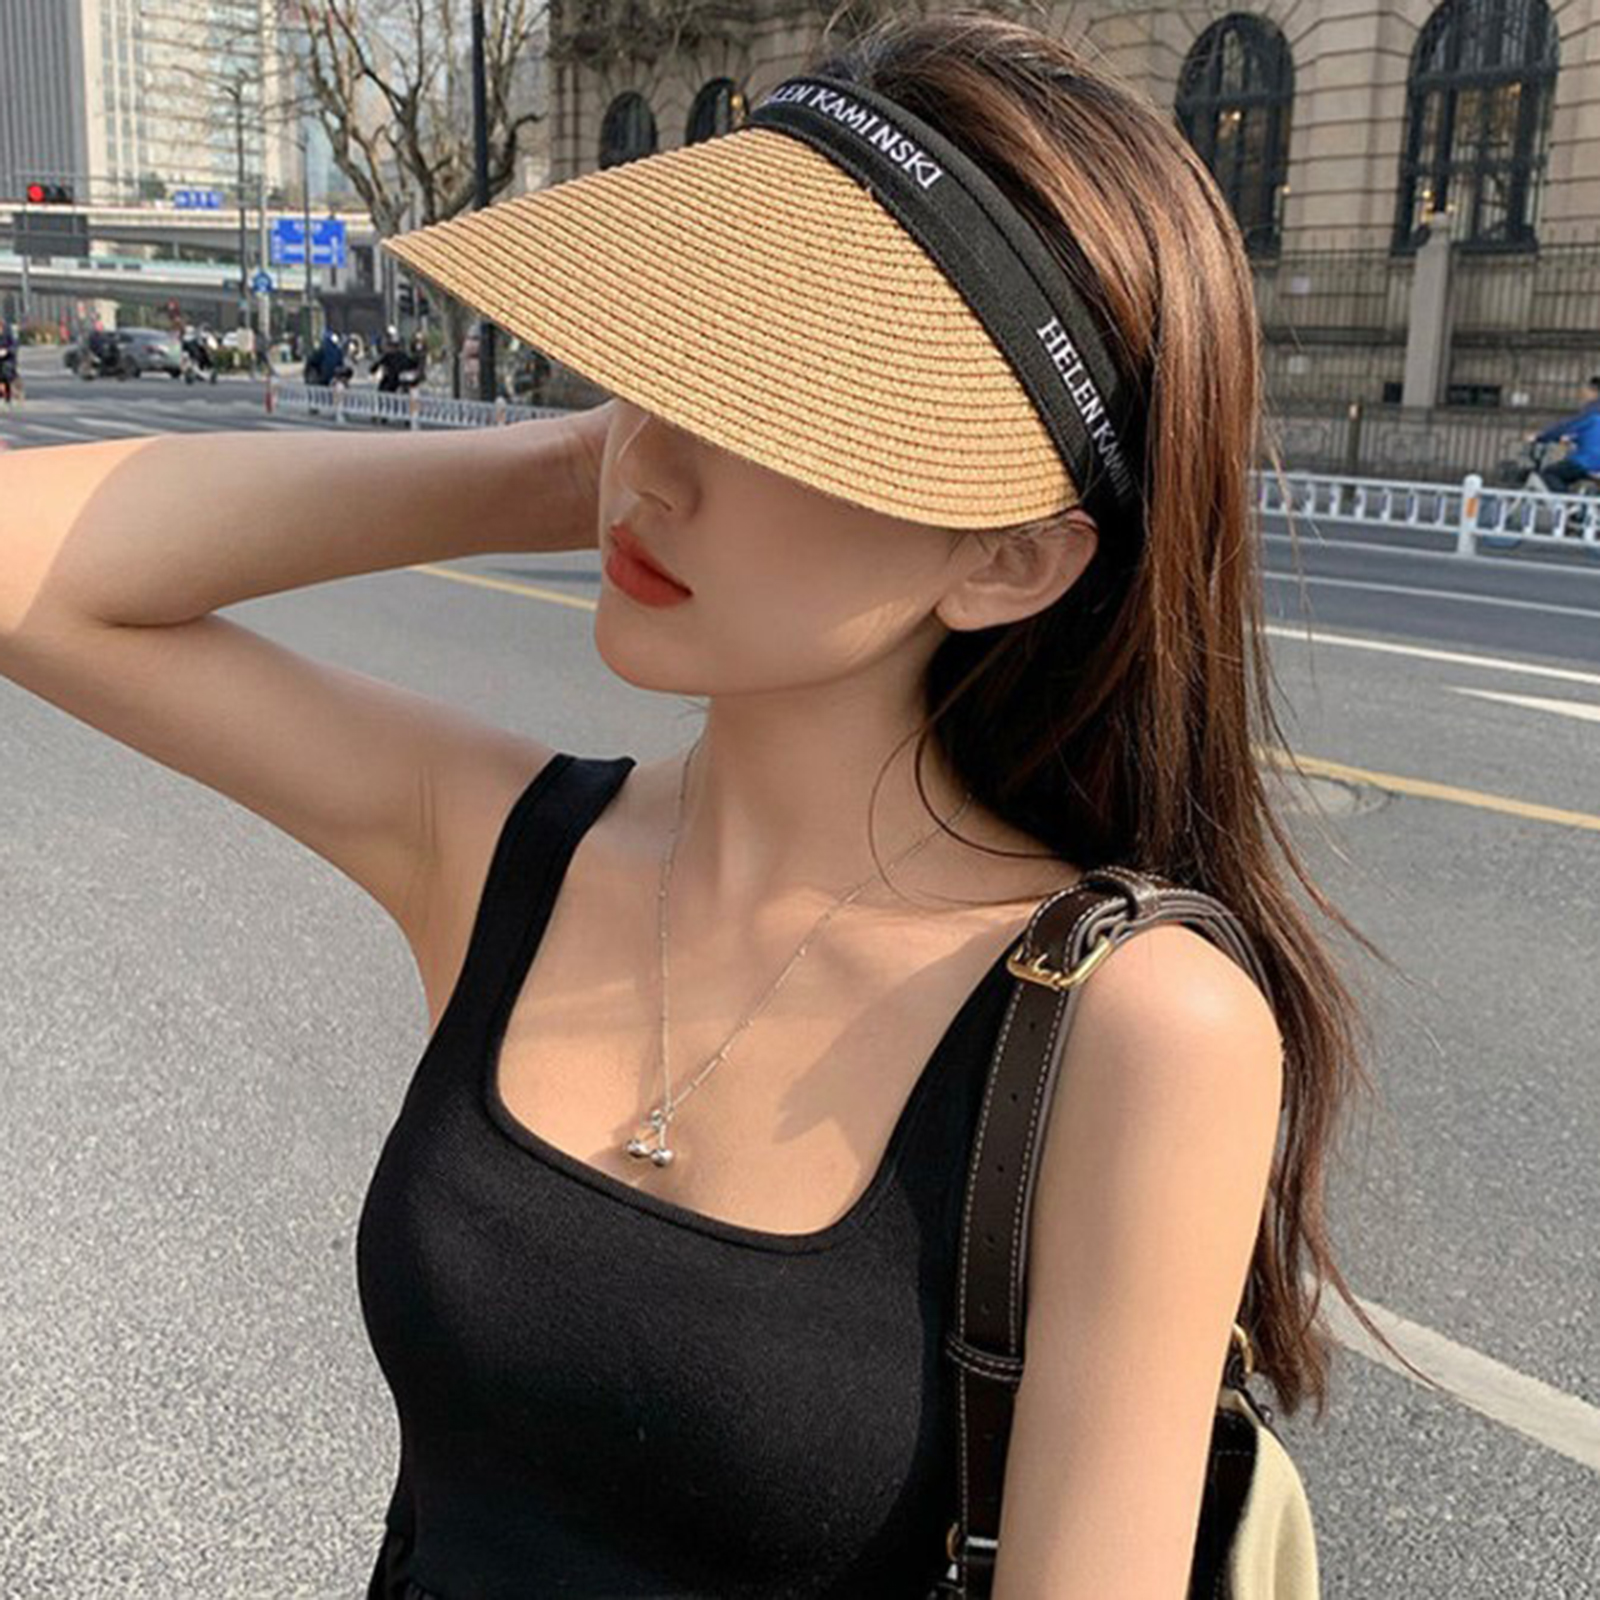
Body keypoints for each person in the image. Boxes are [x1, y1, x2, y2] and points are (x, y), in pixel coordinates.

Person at [0, 14, 1411, 1597]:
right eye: (669, 362)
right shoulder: (504, 848)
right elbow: (22, 566)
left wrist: (625, 464)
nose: (659, 463)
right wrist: (569, 463)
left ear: (1011, 557)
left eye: (778, 406)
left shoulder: (1137, 1030)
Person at [1525, 374, 1600, 492]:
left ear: (1594, 392)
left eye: (1586, 390)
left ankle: (1563, 502)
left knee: (1550, 474)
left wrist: (1540, 437)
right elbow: (1589, 434)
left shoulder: (1591, 413)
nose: (1583, 394)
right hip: (1594, 463)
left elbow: (1564, 427)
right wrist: (1569, 439)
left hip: (1588, 461)